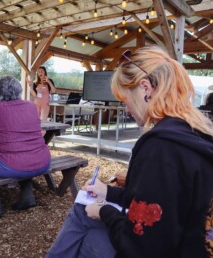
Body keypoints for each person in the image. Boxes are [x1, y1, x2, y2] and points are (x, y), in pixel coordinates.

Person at [45, 46, 213, 258]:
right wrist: (106, 192)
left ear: (145, 88)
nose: (126, 110)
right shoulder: (195, 133)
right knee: (82, 212)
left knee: (83, 227)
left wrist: (104, 211)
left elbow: (138, 247)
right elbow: (156, 201)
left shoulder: (160, 148)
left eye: (125, 100)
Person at [0, 76, 51, 218]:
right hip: (43, 161)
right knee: (22, 156)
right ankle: (27, 196)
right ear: (19, 91)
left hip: (13, 164)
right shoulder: (31, 106)